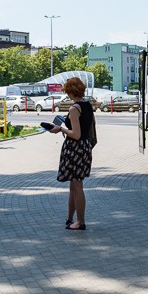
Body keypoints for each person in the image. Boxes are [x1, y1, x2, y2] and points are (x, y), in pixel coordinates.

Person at [48, 76, 95, 230]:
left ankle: (80, 222)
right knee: (73, 186)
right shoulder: (87, 105)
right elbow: (88, 129)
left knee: (77, 185)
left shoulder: (74, 109)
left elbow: (76, 134)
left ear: (70, 91)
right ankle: (70, 218)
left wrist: (60, 129)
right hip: (85, 147)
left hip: (75, 149)